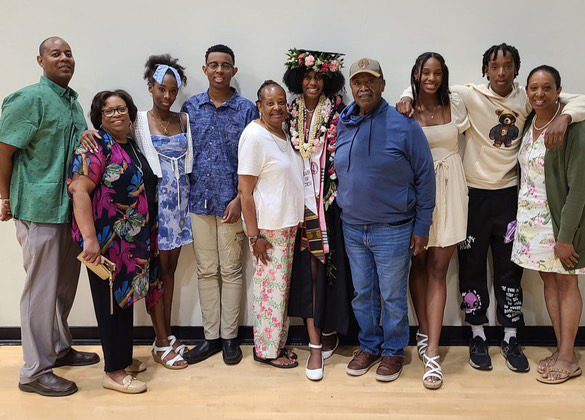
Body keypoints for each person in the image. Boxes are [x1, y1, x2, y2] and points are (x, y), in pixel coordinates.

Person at [398, 43, 585, 372]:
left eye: (508, 66)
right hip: (472, 194)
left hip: (509, 195)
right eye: (495, 66)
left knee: (509, 269)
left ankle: (511, 336)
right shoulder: (470, 95)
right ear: (485, 69)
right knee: (471, 268)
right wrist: (404, 95)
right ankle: (478, 334)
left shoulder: (528, 97)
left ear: (516, 69)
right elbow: (428, 85)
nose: (501, 72)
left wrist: (567, 115)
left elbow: (577, 99)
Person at [0, 36, 99, 397]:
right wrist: (4, 197)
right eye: (55, 53)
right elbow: (4, 150)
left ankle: (58, 347)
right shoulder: (29, 99)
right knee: (39, 290)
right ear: (40, 60)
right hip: (38, 208)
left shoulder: (72, 103)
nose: (64, 58)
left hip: (67, 211)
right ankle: (34, 371)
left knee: (62, 287)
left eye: (69, 53)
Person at [336, 58, 435, 383]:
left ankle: (393, 351)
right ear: (351, 87)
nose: (363, 87)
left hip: (392, 229)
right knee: (363, 294)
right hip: (352, 227)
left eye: (370, 81)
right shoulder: (344, 123)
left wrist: (422, 227)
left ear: (382, 85)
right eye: (357, 82)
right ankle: (370, 345)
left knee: (392, 295)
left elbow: (425, 178)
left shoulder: (405, 126)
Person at [68, 90, 168, 394]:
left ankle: (122, 360)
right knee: (111, 305)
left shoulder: (133, 146)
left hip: (134, 243)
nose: (117, 115)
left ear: (130, 112)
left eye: (121, 109)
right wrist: (90, 239)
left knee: (124, 303)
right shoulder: (95, 146)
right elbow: (79, 190)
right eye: (109, 111)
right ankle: (112, 372)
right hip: (106, 243)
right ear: (99, 117)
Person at [182, 44, 258, 365]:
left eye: (225, 65)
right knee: (206, 270)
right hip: (198, 201)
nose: (219, 71)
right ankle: (210, 337)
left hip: (233, 203)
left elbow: (254, 159)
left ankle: (230, 338)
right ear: (204, 70)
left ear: (233, 71)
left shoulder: (247, 109)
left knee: (231, 270)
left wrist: (241, 199)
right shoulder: (191, 107)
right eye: (213, 65)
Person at [282, 48, 355, 381]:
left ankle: (329, 329)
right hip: (299, 205)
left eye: (318, 77)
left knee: (330, 267)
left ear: (328, 80)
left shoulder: (341, 111)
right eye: (308, 76)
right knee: (307, 271)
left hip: (329, 202)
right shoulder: (289, 111)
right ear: (300, 79)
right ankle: (313, 339)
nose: (312, 82)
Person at [511, 65, 585, 384]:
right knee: (550, 282)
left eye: (547, 88)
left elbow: (579, 186)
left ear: (559, 91)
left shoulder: (572, 126)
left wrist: (566, 236)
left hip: (560, 221)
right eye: (533, 88)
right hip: (532, 223)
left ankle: (569, 357)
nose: (539, 94)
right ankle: (561, 348)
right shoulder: (529, 121)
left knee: (566, 283)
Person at [402, 52, 469, 389]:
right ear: (416, 74)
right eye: (425, 73)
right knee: (418, 265)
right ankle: (424, 334)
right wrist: (404, 94)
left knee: (439, 270)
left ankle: (433, 353)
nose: (431, 79)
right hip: (417, 191)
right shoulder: (406, 107)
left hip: (451, 187)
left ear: (444, 75)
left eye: (437, 73)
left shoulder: (456, 102)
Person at [238, 80, 304, 368]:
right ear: (259, 106)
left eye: (281, 102)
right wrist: (255, 237)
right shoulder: (254, 136)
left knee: (280, 292)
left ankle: (276, 343)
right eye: (270, 103)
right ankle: (266, 351)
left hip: (287, 226)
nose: (277, 107)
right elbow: (245, 192)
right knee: (269, 292)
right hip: (268, 231)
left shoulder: (283, 134)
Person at [135, 55, 192, 366]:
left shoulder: (183, 120)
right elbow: (115, 142)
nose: (168, 96)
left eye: (173, 90)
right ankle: (159, 343)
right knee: (155, 275)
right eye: (162, 89)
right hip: (153, 210)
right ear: (150, 87)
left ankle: (166, 333)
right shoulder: (139, 120)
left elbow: (189, 164)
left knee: (170, 273)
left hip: (179, 209)